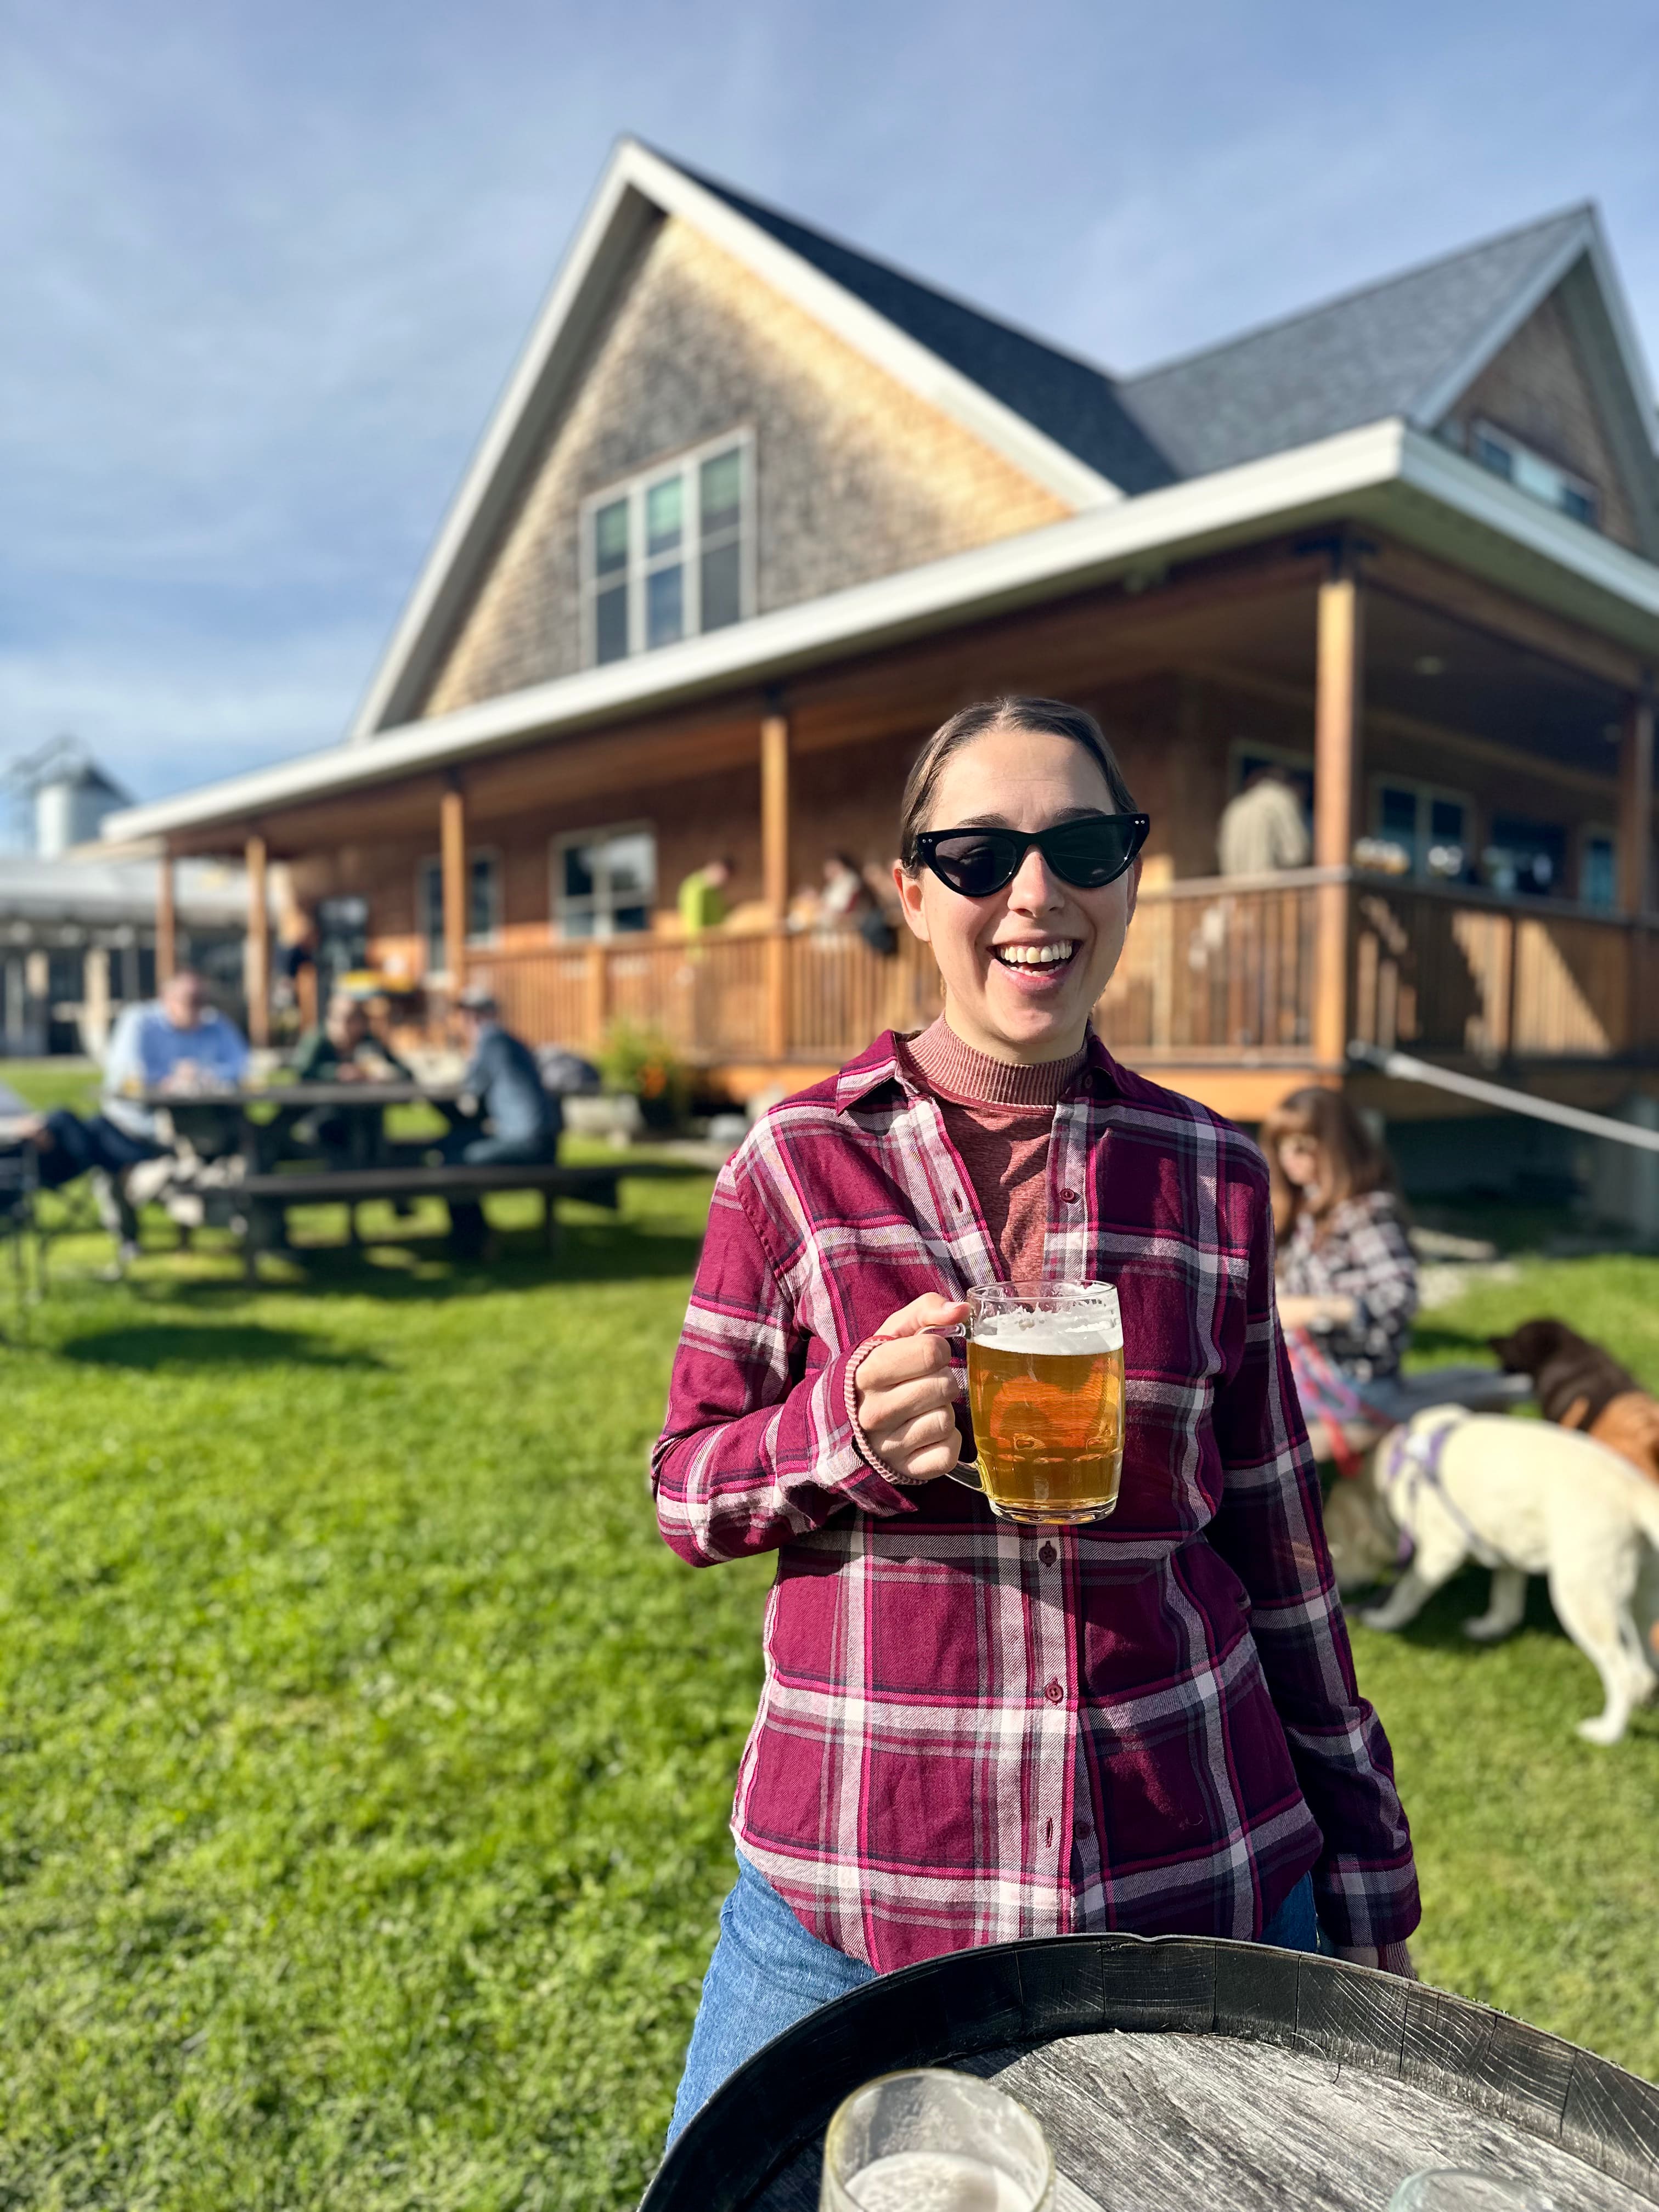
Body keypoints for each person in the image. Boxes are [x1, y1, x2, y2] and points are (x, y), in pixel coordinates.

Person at [654, 696, 1419, 2143]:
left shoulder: (1214, 1172)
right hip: (860, 1887)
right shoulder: (795, 1162)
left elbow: (1281, 1553)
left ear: (1130, 877)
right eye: (978, 855)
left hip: (1194, 1874)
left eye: (1083, 847)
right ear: (910, 893)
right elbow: (686, 1490)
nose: (1034, 893)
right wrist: (838, 1437)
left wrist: (1367, 1864)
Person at [17, 970, 249, 1258]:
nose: (199, 1007)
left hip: (203, 1127)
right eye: (190, 1000)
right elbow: (127, 1077)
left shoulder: (215, 1024)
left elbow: (242, 1066)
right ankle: (131, 1231)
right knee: (89, 1137)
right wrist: (172, 1079)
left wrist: (204, 1074)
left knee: (236, 1143)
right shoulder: (140, 1021)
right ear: (167, 999)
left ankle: (234, 1214)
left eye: (202, 1000)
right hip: (135, 1127)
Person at [1262, 1087, 1419, 1460]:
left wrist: (1321, 1309)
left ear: (1336, 1147)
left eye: (1302, 1146)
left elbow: (1401, 1296)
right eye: (1281, 1146)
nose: (1288, 1158)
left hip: (1356, 1383)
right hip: (1310, 1375)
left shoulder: (1365, 1215)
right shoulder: (1304, 1212)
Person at [438, 989, 560, 1256]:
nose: (468, 1022)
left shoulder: (491, 1041)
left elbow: (468, 1094)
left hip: (527, 1144)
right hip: (544, 1142)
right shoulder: (511, 1042)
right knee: (454, 1148)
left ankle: (474, 1245)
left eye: (472, 1015)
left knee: (454, 1164)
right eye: (466, 1015)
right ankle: (475, 1240)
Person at [291, 991, 411, 1083]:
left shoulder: (368, 1043)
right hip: (321, 1105)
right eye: (338, 1018)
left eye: (351, 1019)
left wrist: (385, 1074)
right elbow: (301, 1070)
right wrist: (336, 1073)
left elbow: (405, 1073)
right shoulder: (317, 1039)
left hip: (362, 1106)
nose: (343, 1025)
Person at [1216, 763, 1312, 876]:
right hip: (1270, 883)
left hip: (1236, 884)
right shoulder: (1282, 800)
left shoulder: (1237, 806)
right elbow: (1296, 853)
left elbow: (1223, 852)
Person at [677, 856, 732, 938]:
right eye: (723, 875)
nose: (723, 881)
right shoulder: (696, 889)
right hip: (702, 941)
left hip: (714, 938)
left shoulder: (713, 891)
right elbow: (696, 923)